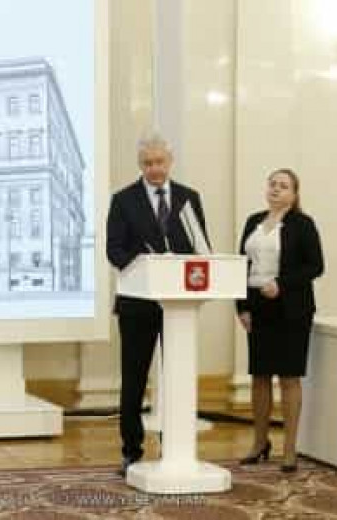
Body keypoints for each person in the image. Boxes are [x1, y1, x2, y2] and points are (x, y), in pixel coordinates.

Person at [106, 133, 209, 477]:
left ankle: (175, 447)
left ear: (170, 162)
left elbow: (201, 248)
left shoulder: (189, 198)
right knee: (134, 379)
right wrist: (144, 263)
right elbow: (114, 250)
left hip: (179, 306)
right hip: (138, 304)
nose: (154, 169)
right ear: (140, 165)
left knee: (177, 376)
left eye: (159, 162)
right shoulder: (123, 200)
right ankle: (131, 451)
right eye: (147, 163)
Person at [236, 168, 323, 473]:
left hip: (291, 309)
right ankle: (260, 443)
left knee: (288, 377)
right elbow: (241, 265)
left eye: (283, 186)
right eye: (272, 184)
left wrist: (281, 284)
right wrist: (242, 307)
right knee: (259, 376)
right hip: (257, 307)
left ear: (294, 194)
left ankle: (289, 450)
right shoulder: (253, 221)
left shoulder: (303, 224)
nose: (275, 189)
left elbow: (315, 266)